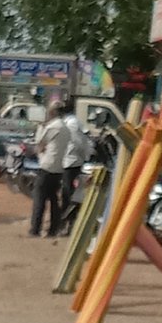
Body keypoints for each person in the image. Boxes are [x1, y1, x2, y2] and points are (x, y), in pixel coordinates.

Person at [30, 102, 70, 238]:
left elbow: (39, 146)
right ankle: (53, 229)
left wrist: (40, 128)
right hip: (58, 168)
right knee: (54, 200)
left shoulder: (53, 127)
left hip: (47, 167)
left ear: (53, 112)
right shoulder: (65, 128)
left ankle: (35, 229)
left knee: (39, 200)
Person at [59, 99, 90, 232]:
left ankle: (69, 223)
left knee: (69, 194)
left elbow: (78, 143)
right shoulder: (69, 122)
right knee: (67, 193)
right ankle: (66, 222)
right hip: (69, 161)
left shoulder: (72, 123)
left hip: (71, 162)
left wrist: (83, 157)